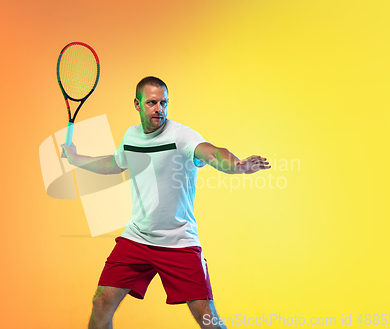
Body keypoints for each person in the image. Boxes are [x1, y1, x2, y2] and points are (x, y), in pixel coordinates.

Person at [61, 76, 271, 329]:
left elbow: (213, 152)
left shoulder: (181, 136)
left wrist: (237, 165)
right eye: (151, 103)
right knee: (102, 302)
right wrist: (74, 158)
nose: (159, 109)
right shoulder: (131, 136)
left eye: (164, 103)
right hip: (137, 238)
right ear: (137, 105)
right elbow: (114, 164)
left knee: (207, 317)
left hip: (178, 242)